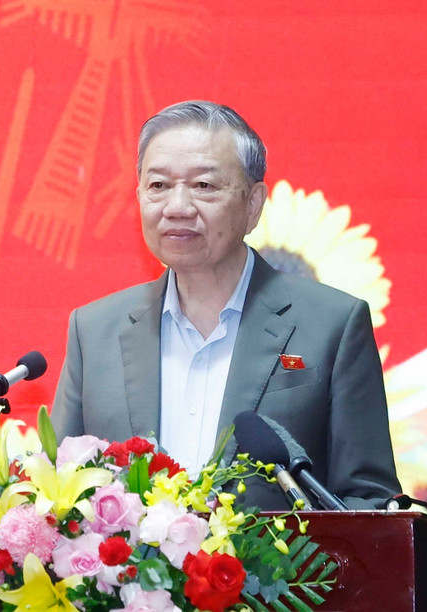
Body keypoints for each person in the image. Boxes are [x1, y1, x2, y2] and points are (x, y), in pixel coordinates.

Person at [50, 100, 401, 510]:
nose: (177, 207)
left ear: (253, 204)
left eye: (204, 186)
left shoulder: (332, 326)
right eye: (158, 186)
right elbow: (58, 493)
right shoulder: (94, 331)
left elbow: (369, 502)